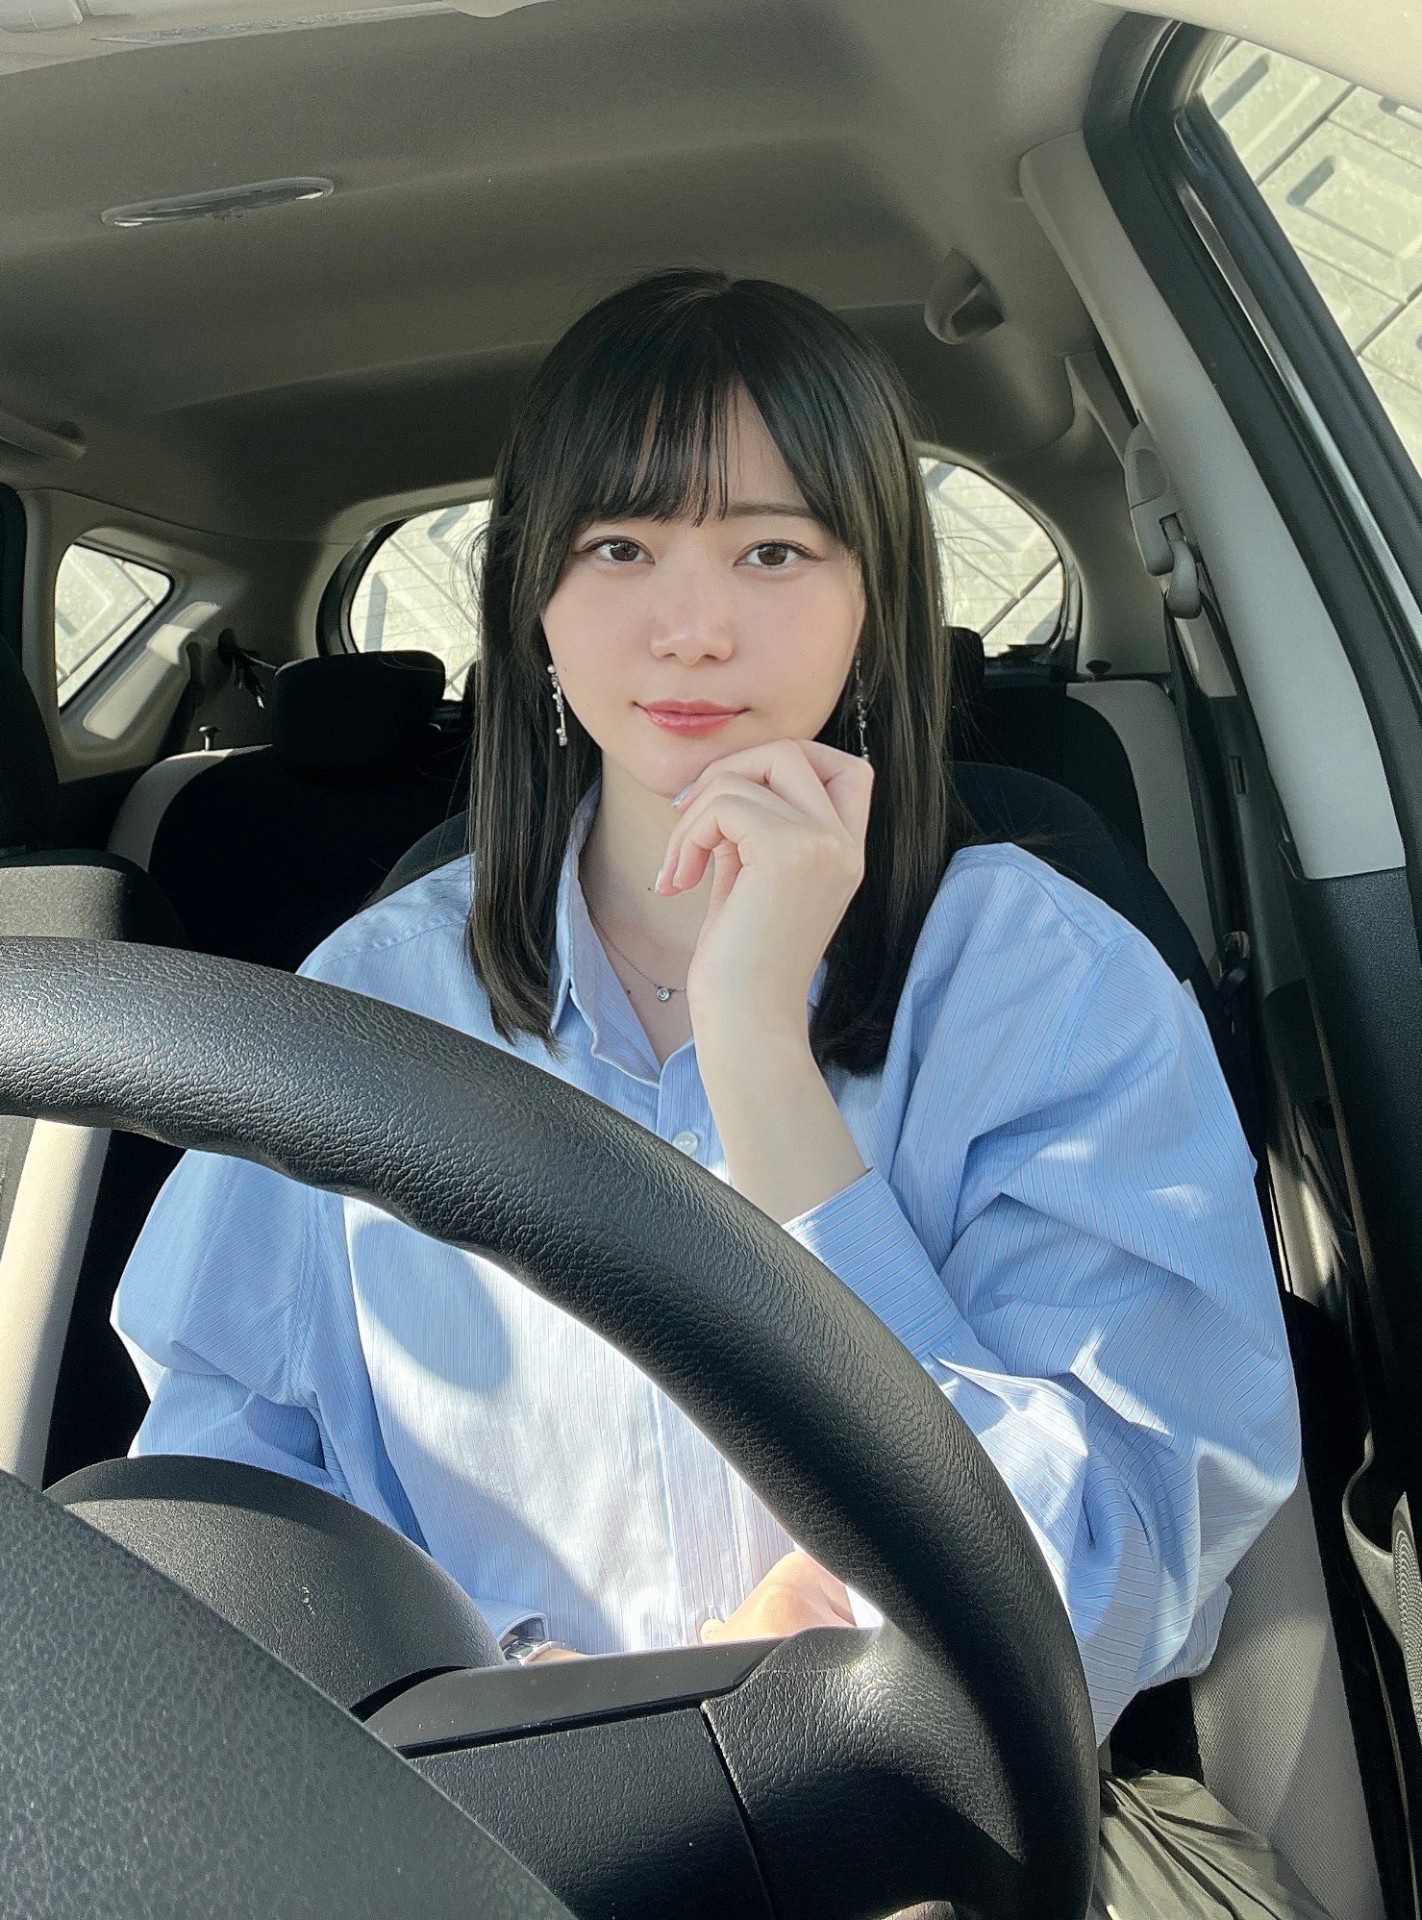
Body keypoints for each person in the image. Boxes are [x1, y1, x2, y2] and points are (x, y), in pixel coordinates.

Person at [114, 268, 1299, 1771]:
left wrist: (759, 1061)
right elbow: (225, 1501)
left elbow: (1117, 1563)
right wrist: (470, 1717)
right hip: (472, 1819)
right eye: (620, 546)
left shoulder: (1050, 986)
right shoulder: (367, 1002)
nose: (691, 628)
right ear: (535, 601)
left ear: (873, 602)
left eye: (772, 549)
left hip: (929, 1818)